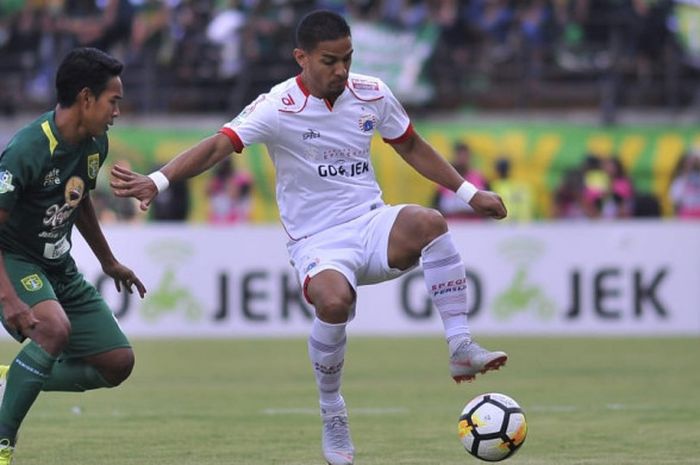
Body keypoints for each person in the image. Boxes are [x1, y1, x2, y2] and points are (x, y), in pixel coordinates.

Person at [110, 10, 507, 465]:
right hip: (317, 241)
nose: (341, 70)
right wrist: (158, 181)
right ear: (301, 58)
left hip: (372, 223)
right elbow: (220, 143)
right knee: (336, 303)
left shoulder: (372, 93)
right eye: (329, 60)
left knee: (431, 223)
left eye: (348, 58)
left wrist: (470, 193)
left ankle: (460, 347)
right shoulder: (277, 106)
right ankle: (332, 409)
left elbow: (411, 145)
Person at [0, 47, 146, 465]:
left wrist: (108, 260)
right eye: (113, 100)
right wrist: (9, 298)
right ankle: (2, 443)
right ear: (86, 98)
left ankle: (13, 378)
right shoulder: (28, 149)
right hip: (15, 260)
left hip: (57, 264)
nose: (118, 110)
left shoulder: (96, 141)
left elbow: (78, 199)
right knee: (53, 329)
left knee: (118, 362)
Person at [433, 141, 490, 220]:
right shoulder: (445, 180)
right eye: (460, 155)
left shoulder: (480, 179)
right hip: (453, 226)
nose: (463, 159)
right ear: (455, 156)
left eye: (465, 156)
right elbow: (436, 206)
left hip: (477, 227)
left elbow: (489, 204)